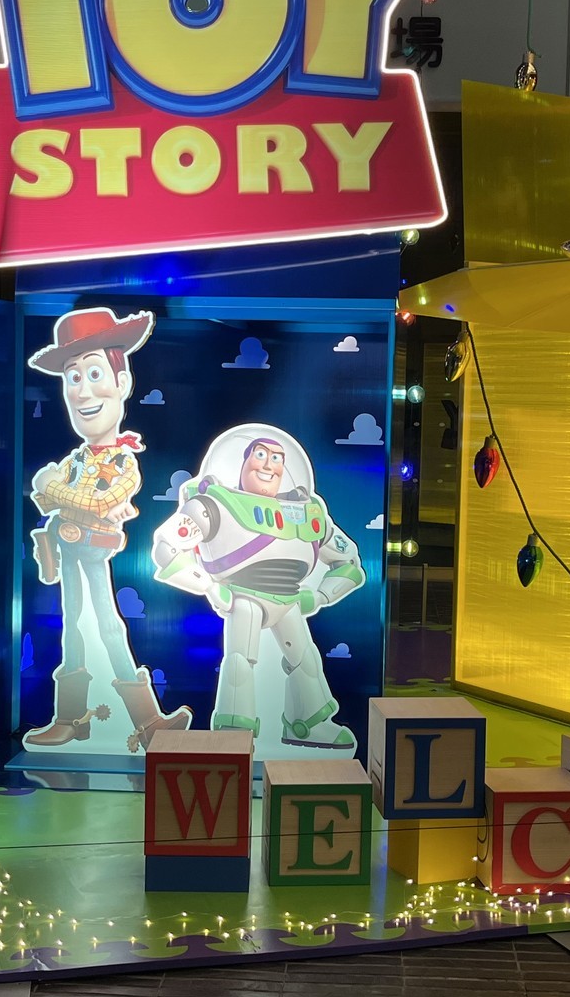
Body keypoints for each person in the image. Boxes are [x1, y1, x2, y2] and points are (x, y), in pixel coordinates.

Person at [23, 307, 190, 750]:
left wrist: (54, 486)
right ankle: (75, 718)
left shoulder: (123, 461)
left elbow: (96, 501)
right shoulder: (77, 458)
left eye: (94, 373)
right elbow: (43, 497)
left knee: (106, 625)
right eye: (72, 378)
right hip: (67, 547)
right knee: (74, 627)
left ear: (123, 383)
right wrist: (54, 489)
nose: (83, 391)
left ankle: (145, 721)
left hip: (92, 547)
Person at [151, 424, 365, 748]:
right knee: (240, 662)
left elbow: (349, 562)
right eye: (261, 455)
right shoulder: (215, 504)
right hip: (244, 597)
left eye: (277, 458)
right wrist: (209, 587)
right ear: (243, 461)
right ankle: (233, 733)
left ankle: (307, 724)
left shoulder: (306, 513)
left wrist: (320, 596)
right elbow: (167, 549)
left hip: (290, 599)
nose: (268, 465)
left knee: (305, 660)